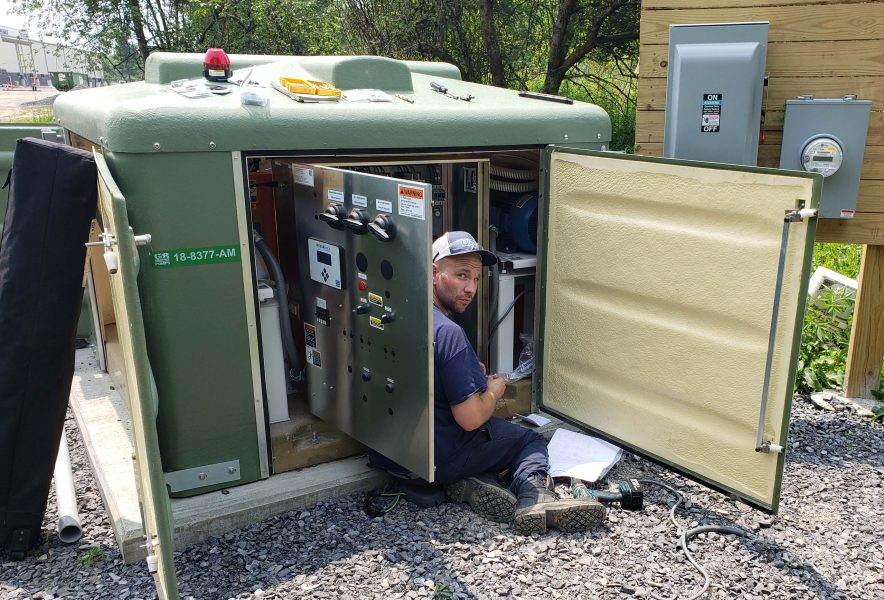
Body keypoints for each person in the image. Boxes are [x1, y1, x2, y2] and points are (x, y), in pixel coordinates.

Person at [370, 231, 603, 534]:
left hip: (392, 456)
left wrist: (465, 373)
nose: (470, 288)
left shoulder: (395, 313)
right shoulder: (449, 334)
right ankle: (536, 497)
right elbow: (470, 419)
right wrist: (494, 389)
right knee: (528, 440)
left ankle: (477, 482)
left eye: (477, 279)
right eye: (462, 275)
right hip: (436, 461)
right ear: (433, 272)